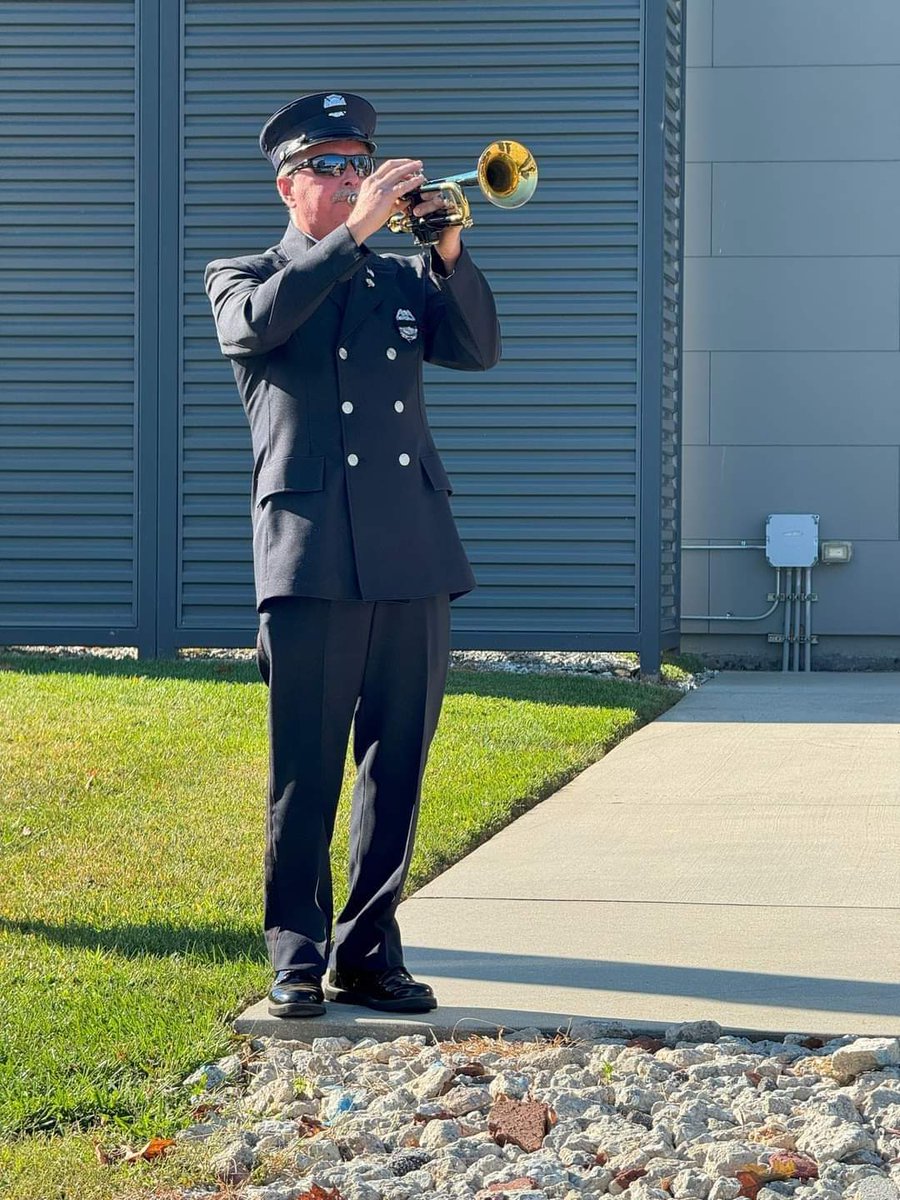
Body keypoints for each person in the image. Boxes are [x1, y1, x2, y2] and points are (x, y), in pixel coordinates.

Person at [204, 92, 501, 1018]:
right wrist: (355, 233)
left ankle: (369, 953)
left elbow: (479, 348)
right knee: (306, 770)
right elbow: (259, 326)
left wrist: (446, 249)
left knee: (398, 766)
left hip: (412, 549)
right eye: (331, 168)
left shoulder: (397, 280)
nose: (352, 180)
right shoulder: (244, 274)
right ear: (290, 185)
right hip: (313, 556)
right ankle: (296, 957)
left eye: (359, 163)